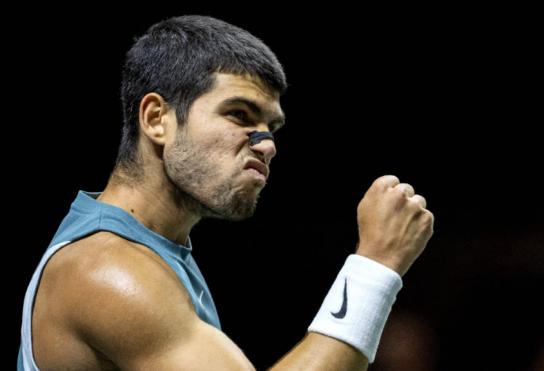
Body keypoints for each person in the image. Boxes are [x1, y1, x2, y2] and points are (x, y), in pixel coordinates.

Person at [18, 15, 434, 370]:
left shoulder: (156, 251)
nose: (266, 143)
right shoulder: (104, 269)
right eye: (239, 114)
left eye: (272, 127)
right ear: (157, 119)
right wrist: (376, 264)